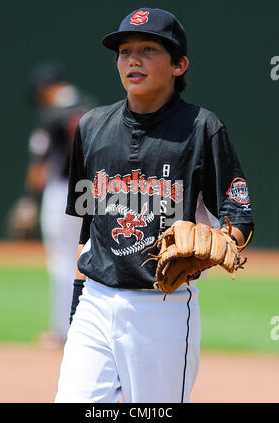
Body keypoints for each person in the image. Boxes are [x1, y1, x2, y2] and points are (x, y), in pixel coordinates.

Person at [55, 8, 254, 402]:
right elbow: (86, 227)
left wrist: (216, 241)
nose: (133, 59)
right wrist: (77, 307)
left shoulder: (202, 128)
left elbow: (240, 215)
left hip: (162, 305)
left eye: (148, 49)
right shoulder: (91, 127)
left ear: (179, 64)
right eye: (124, 50)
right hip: (95, 301)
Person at [13, 61, 96, 347]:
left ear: (48, 88)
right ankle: (89, 329)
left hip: (62, 191)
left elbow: (40, 164)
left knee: (61, 261)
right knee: (86, 257)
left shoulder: (51, 115)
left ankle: (63, 330)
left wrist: (29, 200)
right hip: (91, 191)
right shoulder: (90, 108)